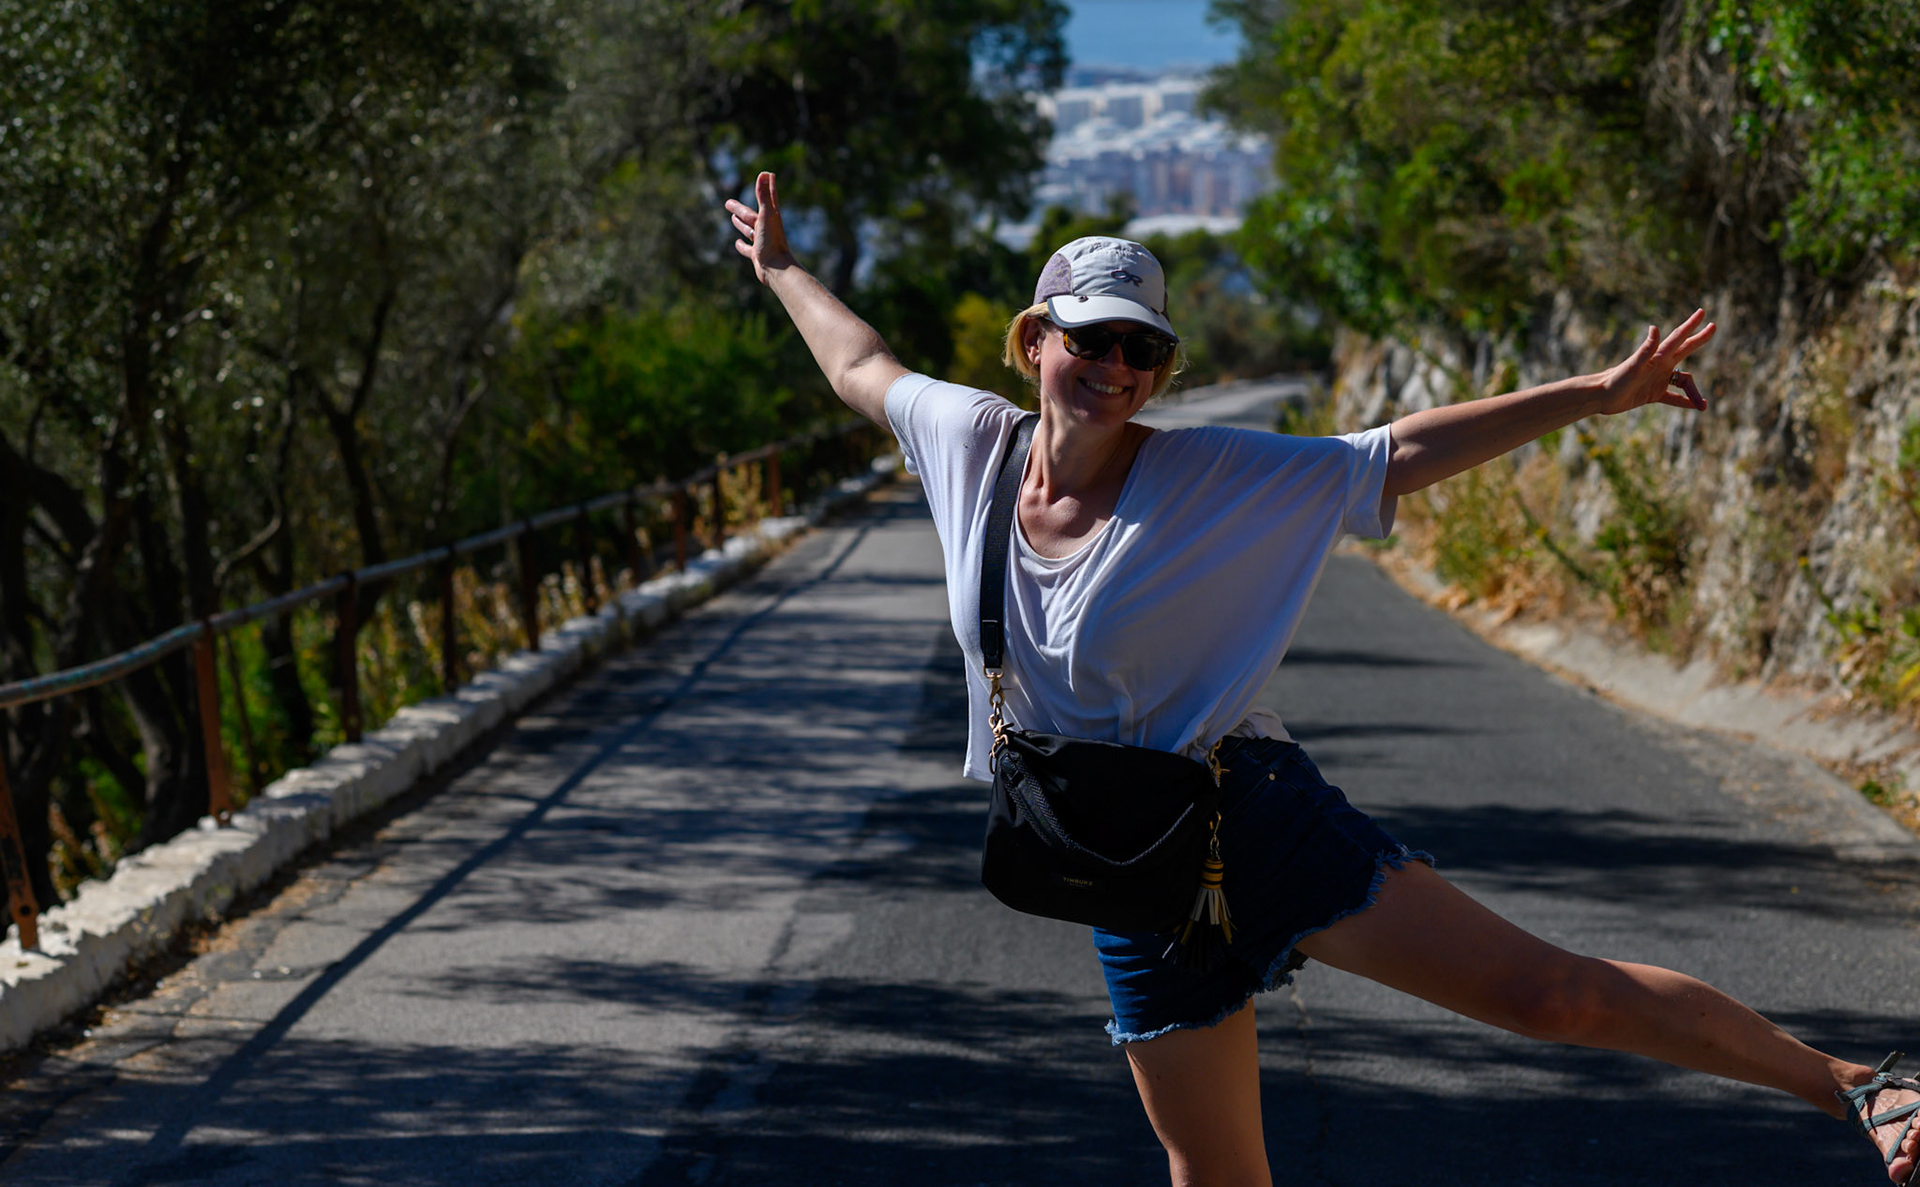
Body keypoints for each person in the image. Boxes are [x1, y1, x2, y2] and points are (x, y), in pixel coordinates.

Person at [724, 170, 1920, 1187]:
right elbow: (859, 360)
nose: (1115, 366)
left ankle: (1857, 1083)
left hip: (1246, 812)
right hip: (1118, 858)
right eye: (1090, 338)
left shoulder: (1211, 474)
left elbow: (1391, 455)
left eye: (1142, 348)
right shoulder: (965, 442)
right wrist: (779, 269)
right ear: (1036, 340)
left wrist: (1592, 396)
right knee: (1219, 1172)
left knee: (1555, 997)